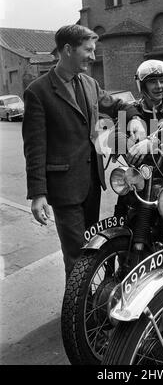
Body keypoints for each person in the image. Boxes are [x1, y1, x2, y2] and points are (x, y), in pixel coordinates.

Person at [22, 24, 146, 280]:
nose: (93, 56)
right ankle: (77, 313)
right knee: (76, 255)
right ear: (67, 50)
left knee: (90, 248)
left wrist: (132, 118)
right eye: (88, 50)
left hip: (92, 181)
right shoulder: (38, 91)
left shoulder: (89, 83)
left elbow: (116, 104)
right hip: (64, 187)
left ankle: (90, 304)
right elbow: (35, 147)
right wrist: (38, 194)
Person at [114, 59, 163, 216]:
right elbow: (115, 135)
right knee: (124, 216)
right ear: (142, 86)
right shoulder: (132, 110)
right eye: (153, 82)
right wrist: (129, 145)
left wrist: (151, 143)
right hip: (138, 177)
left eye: (162, 81)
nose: (159, 86)